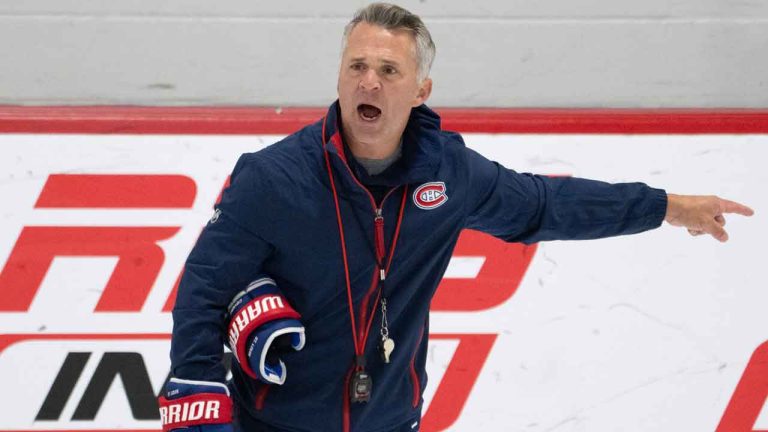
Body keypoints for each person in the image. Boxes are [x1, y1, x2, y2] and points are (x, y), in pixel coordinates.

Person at [157, 3, 754, 432]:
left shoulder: (449, 174)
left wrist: (667, 206)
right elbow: (203, 288)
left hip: (392, 420)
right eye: (357, 66)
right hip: (277, 424)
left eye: (389, 71)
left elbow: (545, 205)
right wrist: (202, 397)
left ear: (420, 89)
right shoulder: (273, 179)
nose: (369, 81)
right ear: (339, 75)